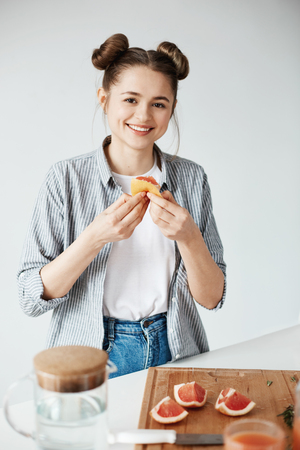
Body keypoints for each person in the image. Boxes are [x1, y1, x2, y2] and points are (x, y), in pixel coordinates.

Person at [17, 33, 226, 378]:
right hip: (91, 354)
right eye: (130, 99)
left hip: (176, 348)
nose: (143, 115)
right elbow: (29, 297)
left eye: (159, 103)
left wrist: (189, 237)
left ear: (172, 109)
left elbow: (211, 298)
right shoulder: (65, 178)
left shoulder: (192, 178)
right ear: (104, 99)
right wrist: (94, 238)